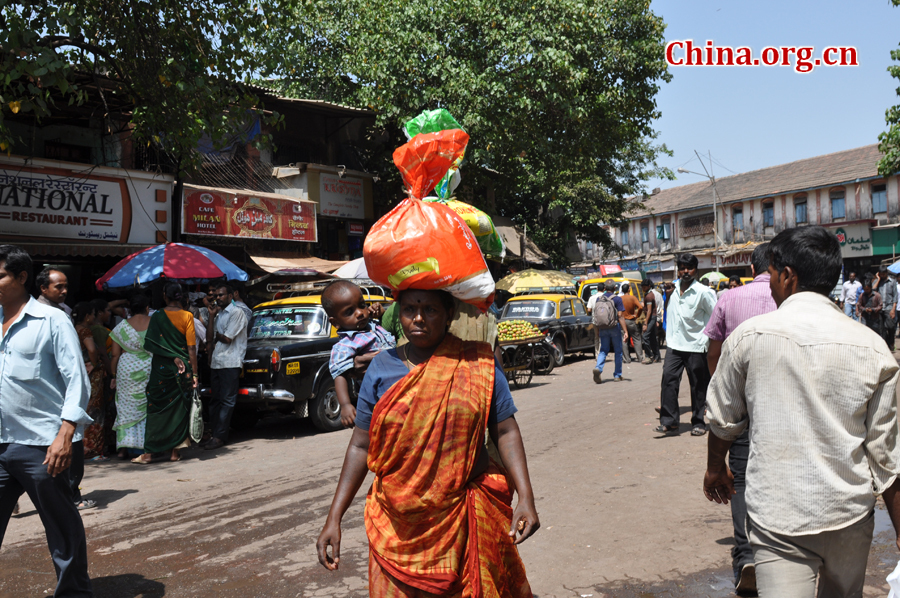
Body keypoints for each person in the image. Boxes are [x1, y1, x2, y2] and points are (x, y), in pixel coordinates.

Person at [703, 226, 900, 598]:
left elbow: (723, 420)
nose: (771, 283)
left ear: (788, 276)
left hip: (779, 518)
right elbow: (887, 457)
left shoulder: (749, 338)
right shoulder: (873, 348)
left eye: (773, 274)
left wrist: (716, 468)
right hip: (850, 516)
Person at [316, 288, 538, 597]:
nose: (418, 318)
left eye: (430, 310)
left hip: (464, 516)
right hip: (396, 525)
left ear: (449, 314)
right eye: (409, 309)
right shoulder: (381, 369)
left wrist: (526, 497)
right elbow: (360, 445)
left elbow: (505, 431)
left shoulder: (478, 362)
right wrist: (334, 518)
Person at [0, 245, 94, 596]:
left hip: (41, 446)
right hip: (0, 442)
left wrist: (65, 434)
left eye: (1, 275)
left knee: (61, 528)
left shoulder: (53, 320)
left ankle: (73, 593)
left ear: (22, 277)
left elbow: (77, 381)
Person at [702, 243, 776, 594]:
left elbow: (713, 353)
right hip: (785, 401)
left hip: (741, 402)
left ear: (751, 267)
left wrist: (724, 392)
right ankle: (781, 556)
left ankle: (747, 556)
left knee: (742, 479)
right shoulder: (793, 298)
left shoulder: (729, 299)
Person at [134, 283, 198, 464]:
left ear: (165, 296)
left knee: (156, 408)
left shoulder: (157, 316)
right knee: (179, 409)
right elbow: (191, 348)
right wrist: (194, 375)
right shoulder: (187, 316)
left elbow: (150, 344)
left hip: (162, 370)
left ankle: (148, 454)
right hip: (183, 369)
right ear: (181, 297)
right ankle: (174, 453)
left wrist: (170, 355)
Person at [656, 253, 716, 437]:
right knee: (668, 380)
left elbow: (715, 317)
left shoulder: (704, 292)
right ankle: (669, 422)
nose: (685, 271)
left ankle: (698, 422)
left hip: (696, 346)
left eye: (689, 268)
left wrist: (710, 342)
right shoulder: (672, 289)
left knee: (698, 385)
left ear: (696, 269)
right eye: (682, 268)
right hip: (674, 345)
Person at [322, 281, 396, 428]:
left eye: (362, 305)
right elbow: (340, 374)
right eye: (349, 312)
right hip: (380, 392)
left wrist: (381, 315)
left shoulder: (373, 326)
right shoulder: (345, 345)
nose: (360, 313)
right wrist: (345, 405)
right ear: (335, 322)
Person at [205, 282, 248, 451]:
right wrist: (211, 317)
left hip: (231, 362)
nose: (218, 298)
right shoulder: (220, 314)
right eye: (216, 296)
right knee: (215, 400)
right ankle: (214, 433)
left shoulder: (237, 313)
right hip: (217, 361)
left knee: (227, 401)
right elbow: (212, 336)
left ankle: (219, 436)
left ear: (230, 296)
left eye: (221, 295)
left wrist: (215, 337)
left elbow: (227, 338)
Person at [109, 294, 152, 459]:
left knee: (125, 408)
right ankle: (147, 446)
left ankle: (123, 449)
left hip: (126, 369)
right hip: (149, 367)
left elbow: (115, 355)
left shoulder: (120, 328)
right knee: (148, 406)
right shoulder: (154, 324)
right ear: (147, 308)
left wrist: (113, 376)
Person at [73, 302, 108, 461]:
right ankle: (93, 450)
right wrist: (94, 363)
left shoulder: (72, 329)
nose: (94, 317)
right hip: (91, 375)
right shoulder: (85, 331)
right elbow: (92, 349)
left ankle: (80, 448)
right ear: (87, 317)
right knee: (95, 410)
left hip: (77, 372)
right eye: (93, 314)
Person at [591, 280, 629, 384]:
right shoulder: (617, 299)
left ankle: (598, 368)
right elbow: (620, 316)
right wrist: (625, 331)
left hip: (602, 327)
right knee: (618, 351)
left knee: (603, 350)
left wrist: (598, 329)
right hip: (614, 327)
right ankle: (617, 375)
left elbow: (598, 315)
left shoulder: (599, 298)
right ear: (614, 288)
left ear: (604, 288)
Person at [619, 284, 643, 364]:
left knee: (624, 339)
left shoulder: (620, 299)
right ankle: (640, 357)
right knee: (637, 338)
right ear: (629, 290)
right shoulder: (633, 298)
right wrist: (637, 316)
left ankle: (626, 359)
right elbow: (640, 307)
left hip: (622, 321)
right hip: (631, 321)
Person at [875, 266, 897, 351]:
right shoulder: (878, 281)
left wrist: (893, 309)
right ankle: (885, 346)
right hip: (879, 308)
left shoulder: (892, 282)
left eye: (883, 274)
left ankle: (891, 341)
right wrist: (878, 279)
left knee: (891, 327)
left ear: (886, 273)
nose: (882, 276)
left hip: (889, 307)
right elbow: (873, 289)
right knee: (881, 328)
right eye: (881, 274)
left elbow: (895, 296)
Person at [640, 279, 661, 364]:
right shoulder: (648, 294)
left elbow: (649, 311)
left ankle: (649, 356)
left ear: (649, 286)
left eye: (644, 286)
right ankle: (657, 356)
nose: (643, 288)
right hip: (653, 317)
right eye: (642, 286)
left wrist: (645, 323)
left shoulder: (649, 296)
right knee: (652, 338)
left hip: (651, 317)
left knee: (645, 337)